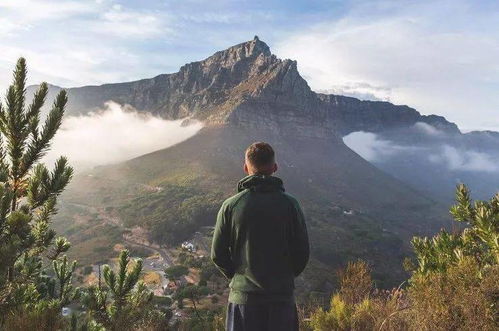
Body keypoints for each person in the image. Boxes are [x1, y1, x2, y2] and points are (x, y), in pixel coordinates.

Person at [211, 142, 310, 331]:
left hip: (243, 302)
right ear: (275, 167)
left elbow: (218, 254)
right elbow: (302, 253)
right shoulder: (291, 205)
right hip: (281, 300)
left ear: (245, 167)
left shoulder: (231, 206)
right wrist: (285, 277)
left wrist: (238, 278)